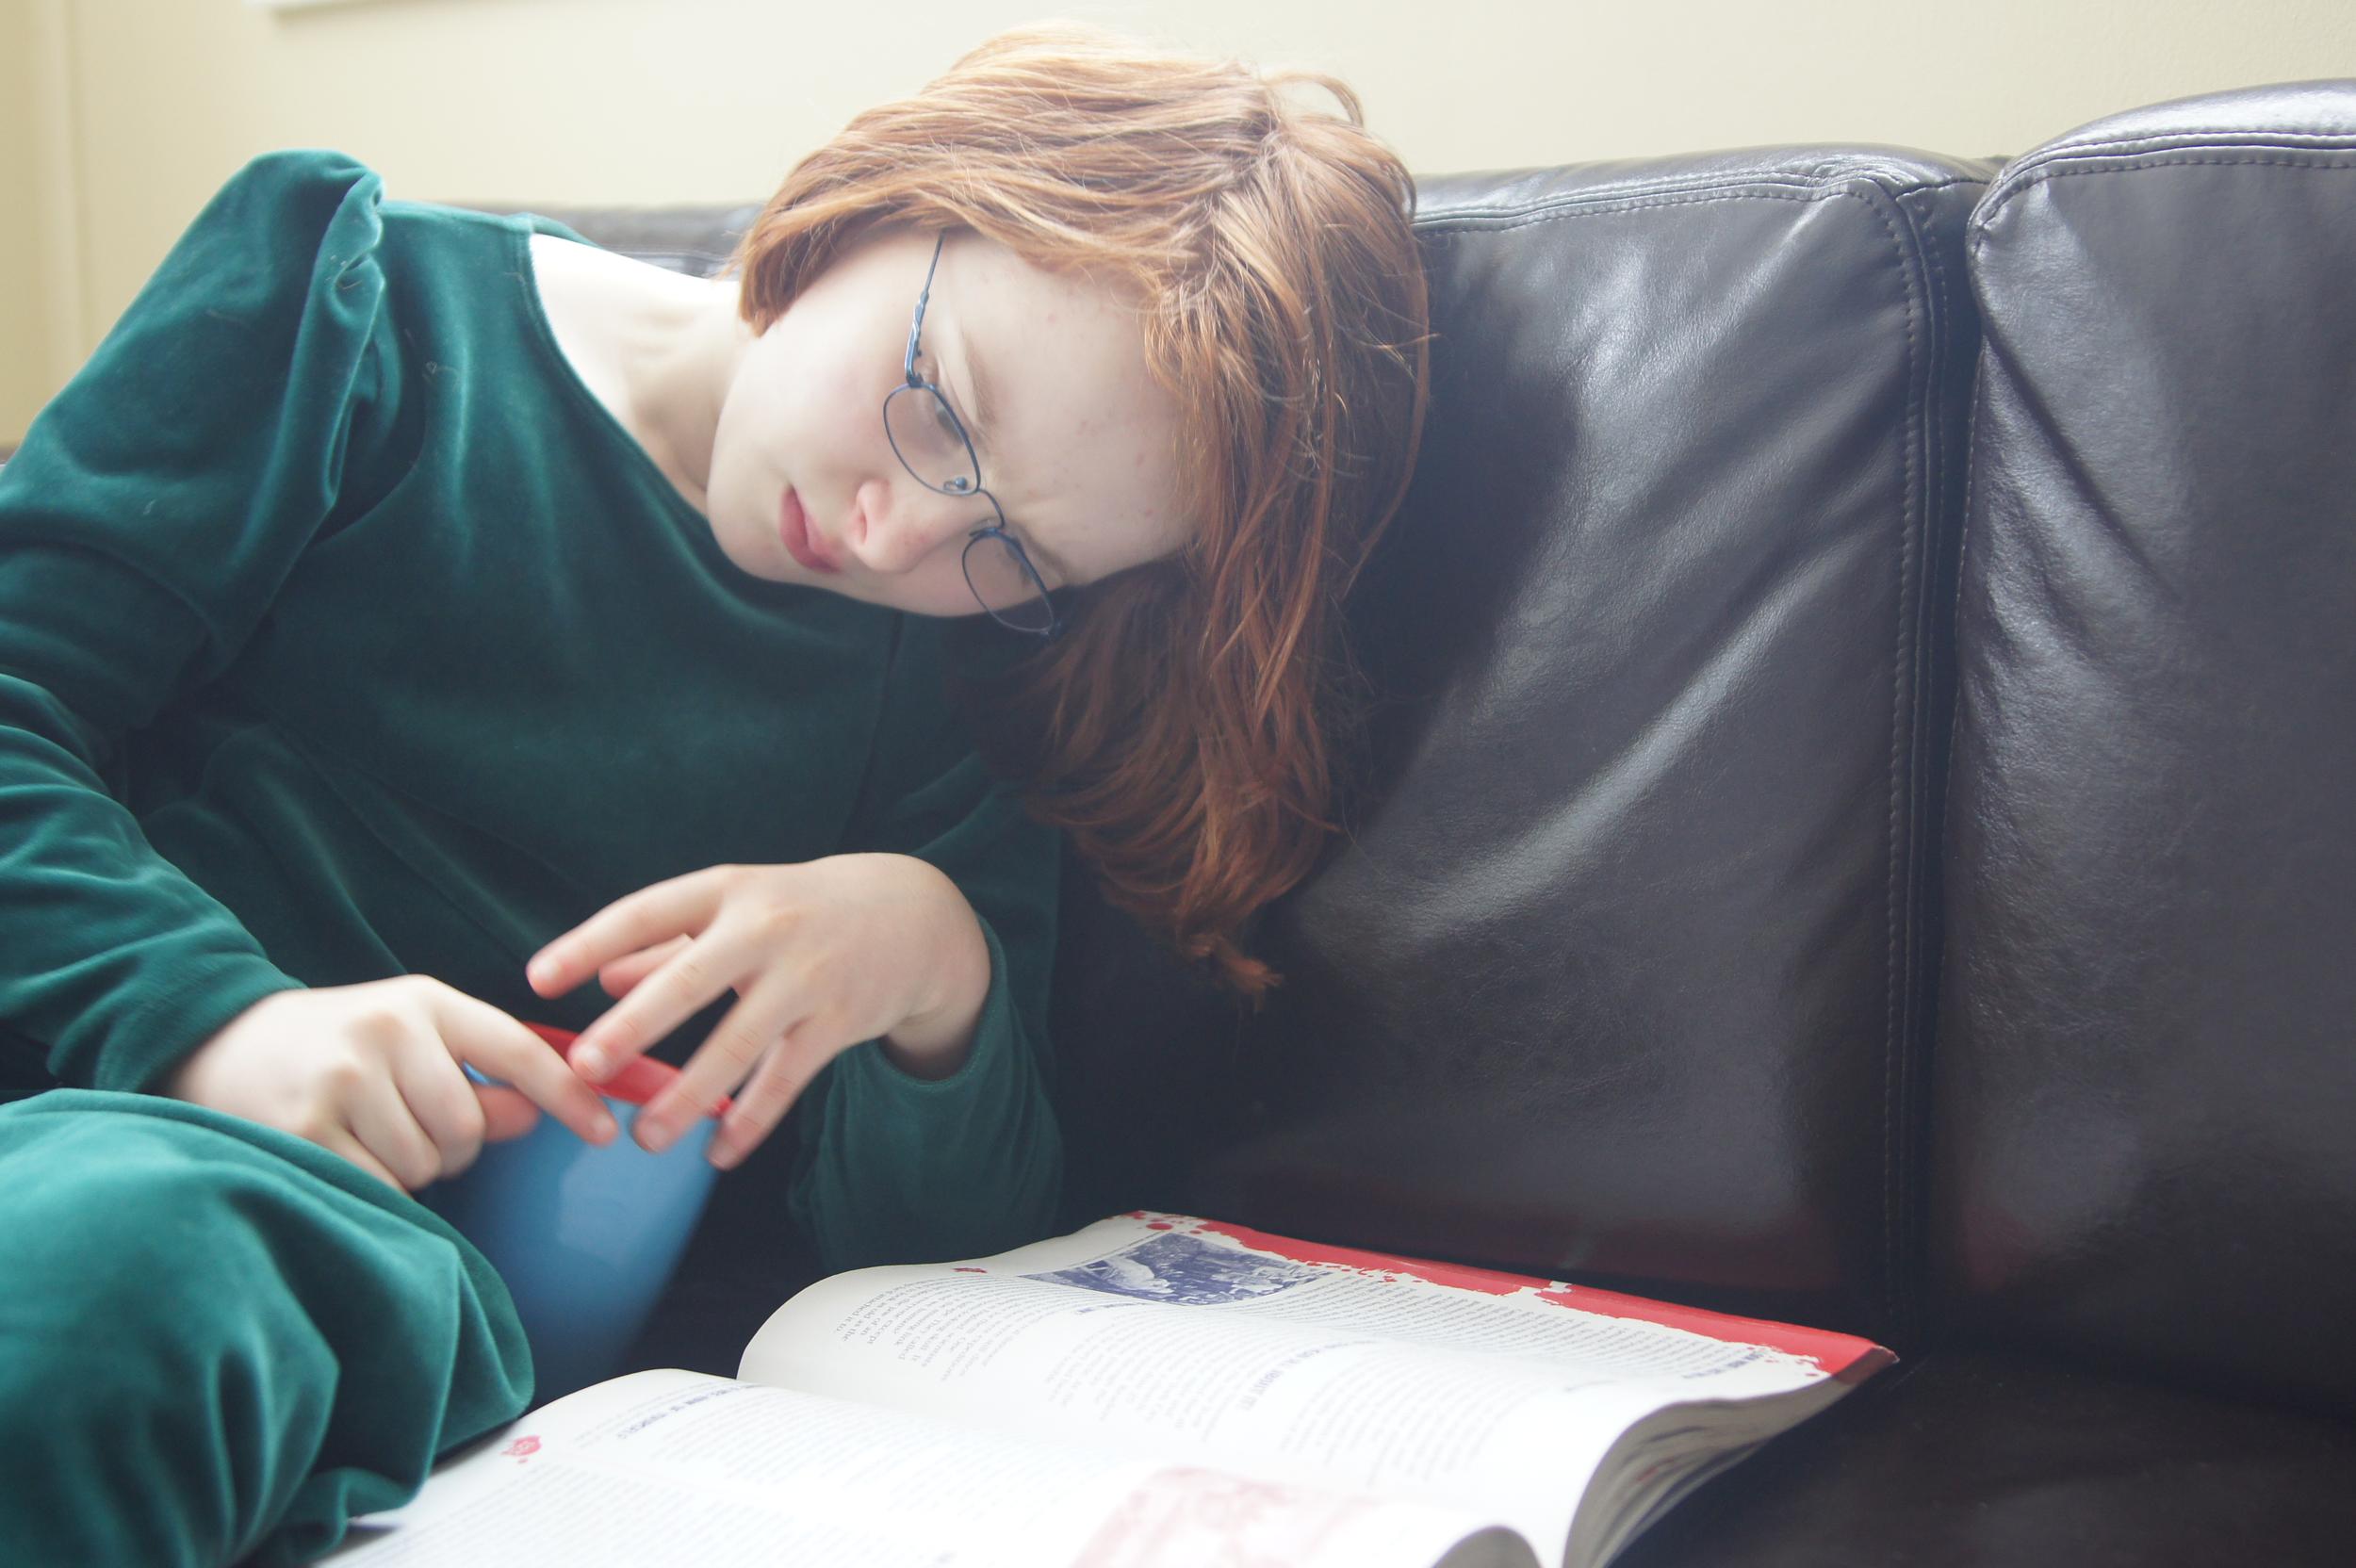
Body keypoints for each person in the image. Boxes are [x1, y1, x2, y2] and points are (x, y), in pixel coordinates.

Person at [0, 23, 1429, 1566]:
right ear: (896, 199)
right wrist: (218, 1017)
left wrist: (933, 962)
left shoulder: (963, 689)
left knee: (105, 1277)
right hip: (75, 1058)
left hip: (300, 1238)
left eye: (1011, 552)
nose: (898, 538)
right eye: (942, 407)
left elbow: (937, 1280)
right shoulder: (353, 300)